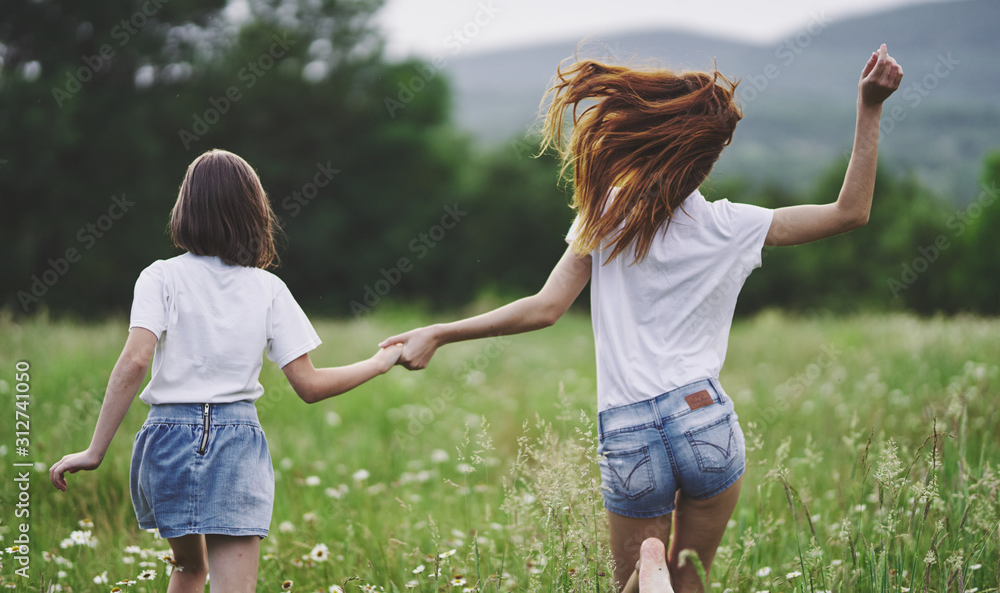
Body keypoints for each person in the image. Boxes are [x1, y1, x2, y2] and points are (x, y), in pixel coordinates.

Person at [380, 45, 903, 592]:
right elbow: (851, 212)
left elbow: (545, 308)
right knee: (690, 580)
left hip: (629, 429)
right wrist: (870, 106)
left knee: (632, 583)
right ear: (709, 156)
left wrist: (441, 331)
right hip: (704, 416)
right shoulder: (734, 226)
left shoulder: (608, 212)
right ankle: (664, 574)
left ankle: (646, 572)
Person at [49, 149, 403, 592]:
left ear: (186, 208)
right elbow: (310, 385)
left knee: (187, 569)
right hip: (236, 442)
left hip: (167, 438)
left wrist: (94, 450)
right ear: (255, 213)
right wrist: (378, 362)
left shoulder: (159, 277)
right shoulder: (268, 288)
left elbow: (136, 359)